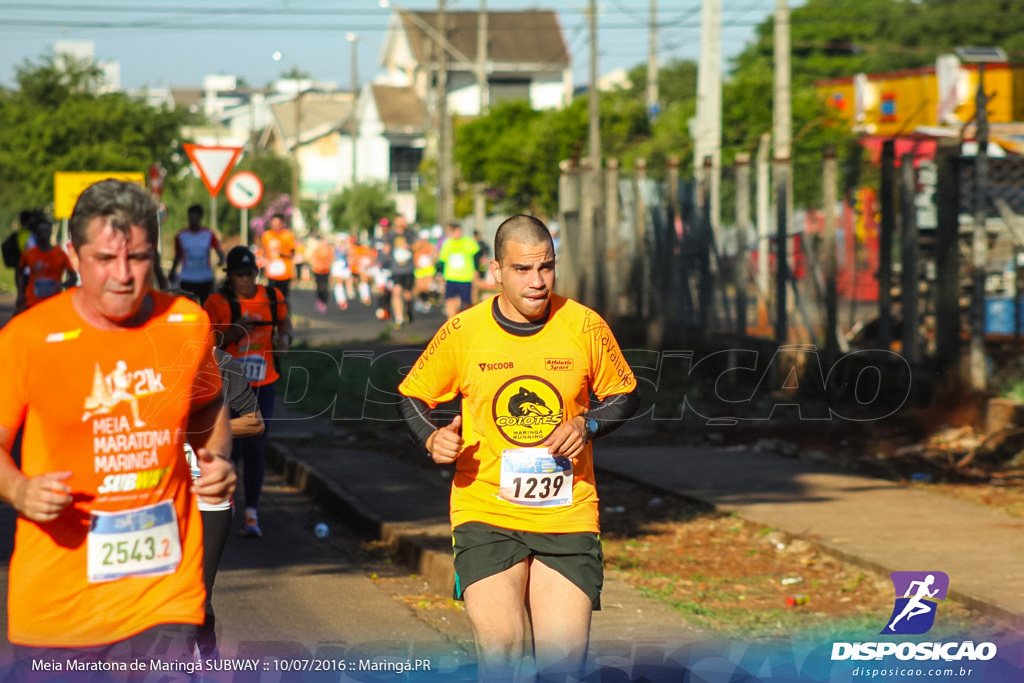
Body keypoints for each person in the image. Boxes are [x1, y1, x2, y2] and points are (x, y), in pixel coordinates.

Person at [0, 179, 236, 672]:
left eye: (140, 258)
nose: (124, 275)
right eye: (105, 259)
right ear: (72, 255)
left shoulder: (186, 324)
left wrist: (217, 460)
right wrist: (18, 488)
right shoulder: (27, 339)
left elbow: (209, 406)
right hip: (60, 604)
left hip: (163, 593)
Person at [398, 215, 640, 680]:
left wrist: (586, 423)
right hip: (485, 510)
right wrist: (430, 436)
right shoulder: (464, 332)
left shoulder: (584, 325)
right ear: (495, 271)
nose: (537, 281)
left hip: (566, 514)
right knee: (501, 653)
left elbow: (625, 393)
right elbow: (412, 393)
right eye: (522, 270)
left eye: (546, 268)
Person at [167, 287, 265, 659]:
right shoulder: (146, 370)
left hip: (209, 501)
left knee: (198, 593)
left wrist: (198, 430)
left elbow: (254, 423)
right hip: (160, 499)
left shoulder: (223, 365)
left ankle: (202, 659)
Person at [204, 246, 292, 538]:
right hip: (227, 385)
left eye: (251, 272)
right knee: (230, 447)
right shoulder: (217, 302)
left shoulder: (272, 296)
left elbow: (284, 324)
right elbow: (205, 343)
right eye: (240, 274)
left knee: (257, 443)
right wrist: (232, 332)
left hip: (263, 380)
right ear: (229, 276)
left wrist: (284, 340)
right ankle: (220, 506)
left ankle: (251, 512)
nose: (247, 279)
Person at [15, 217, 75, 312]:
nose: (43, 235)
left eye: (46, 231)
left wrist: (64, 286)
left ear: (50, 233)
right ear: (36, 234)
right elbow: (19, 272)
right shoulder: (29, 253)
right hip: (33, 302)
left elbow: (73, 276)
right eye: (40, 231)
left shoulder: (59, 254)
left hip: (54, 301)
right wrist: (21, 293)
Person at [169, 203, 225, 304]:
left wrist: (221, 260)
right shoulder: (181, 236)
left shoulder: (208, 234)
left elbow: (219, 251)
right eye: (190, 218)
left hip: (205, 278)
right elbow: (178, 255)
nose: (193, 221)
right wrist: (173, 270)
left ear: (200, 218)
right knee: (188, 308)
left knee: (207, 307)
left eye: (195, 218)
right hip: (188, 278)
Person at [437, 222, 480, 319]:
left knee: (466, 301)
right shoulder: (447, 243)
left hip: (465, 277)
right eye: (456, 232)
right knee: (450, 300)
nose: (458, 234)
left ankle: (466, 320)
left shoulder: (468, 241)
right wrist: (440, 275)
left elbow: (477, 255)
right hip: (451, 276)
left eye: (459, 232)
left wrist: (476, 271)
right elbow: (443, 259)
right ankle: (450, 319)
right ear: (452, 233)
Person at [261, 213, 296, 301]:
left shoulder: (288, 236)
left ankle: (284, 314)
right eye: (273, 224)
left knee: (283, 298)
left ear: (282, 224)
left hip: (284, 273)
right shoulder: (266, 235)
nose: (276, 226)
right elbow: (264, 252)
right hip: (271, 272)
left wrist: (281, 254)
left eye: (278, 224)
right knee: (272, 298)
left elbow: (292, 254)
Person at [309, 233, 335, 314]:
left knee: (325, 286)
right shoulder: (318, 249)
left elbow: (332, 259)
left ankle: (324, 302)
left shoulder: (330, 249)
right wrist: (317, 264)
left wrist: (328, 263)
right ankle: (319, 299)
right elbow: (312, 259)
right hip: (317, 270)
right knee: (319, 286)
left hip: (326, 270)